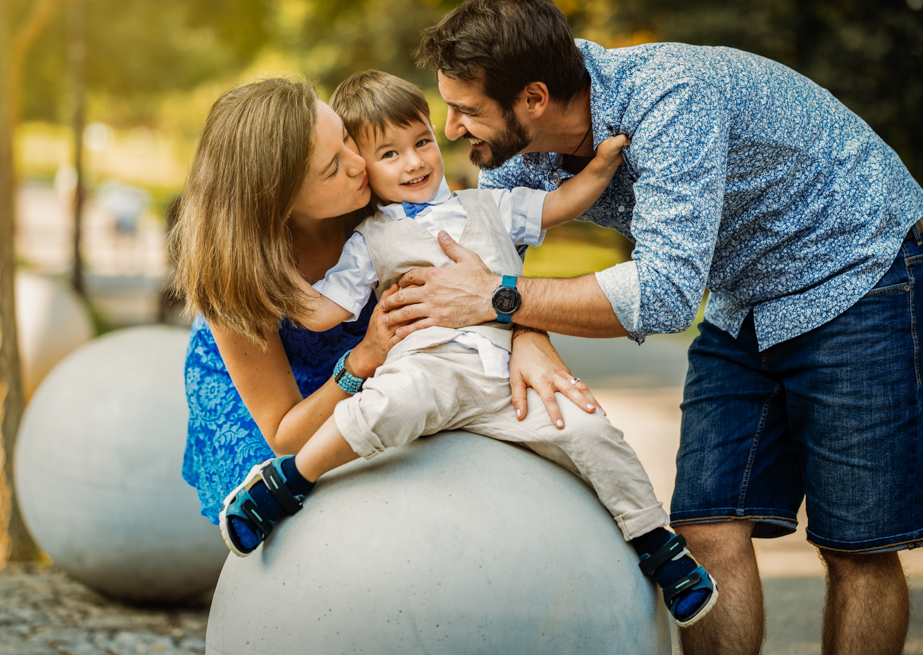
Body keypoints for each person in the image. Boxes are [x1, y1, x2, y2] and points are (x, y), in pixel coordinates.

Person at [382, 0, 923, 654]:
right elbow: (499, 265)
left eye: (466, 110)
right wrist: (527, 334)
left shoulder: (672, 97)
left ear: (533, 98)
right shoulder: (513, 155)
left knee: (856, 545)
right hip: (746, 297)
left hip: (857, 263)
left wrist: (505, 301)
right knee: (705, 527)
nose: (450, 130)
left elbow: (663, 294)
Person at [214, 70, 718, 627]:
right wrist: (276, 293)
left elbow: (551, 215)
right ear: (282, 195)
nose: (378, 164)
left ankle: (657, 543)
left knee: (587, 426)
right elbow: (318, 315)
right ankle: (286, 483)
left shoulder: (484, 203)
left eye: (421, 142)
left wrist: (531, 330)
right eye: (343, 162)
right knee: (392, 402)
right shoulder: (369, 239)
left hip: (498, 373)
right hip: (406, 372)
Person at [169, 75, 614, 603]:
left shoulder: (381, 185)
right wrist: (365, 358)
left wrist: (527, 333)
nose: (358, 164)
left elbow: (482, 247)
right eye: (333, 166)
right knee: (315, 549)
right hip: (284, 405)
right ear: (280, 200)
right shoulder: (235, 277)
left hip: (400, 363)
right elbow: (285, 436)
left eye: (346, 141)